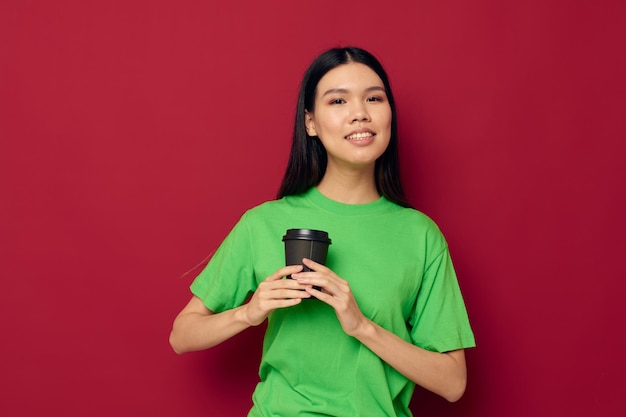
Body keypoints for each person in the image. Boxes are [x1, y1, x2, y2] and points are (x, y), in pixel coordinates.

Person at [169, 46, 475, 416]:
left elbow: (453, 382)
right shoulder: (263, 223)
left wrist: (362, 326)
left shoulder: (420, 235)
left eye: (374, 98)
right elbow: (182, 335)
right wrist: (249, 313)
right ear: (310, 123)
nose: (360, 114)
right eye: (338, 101)